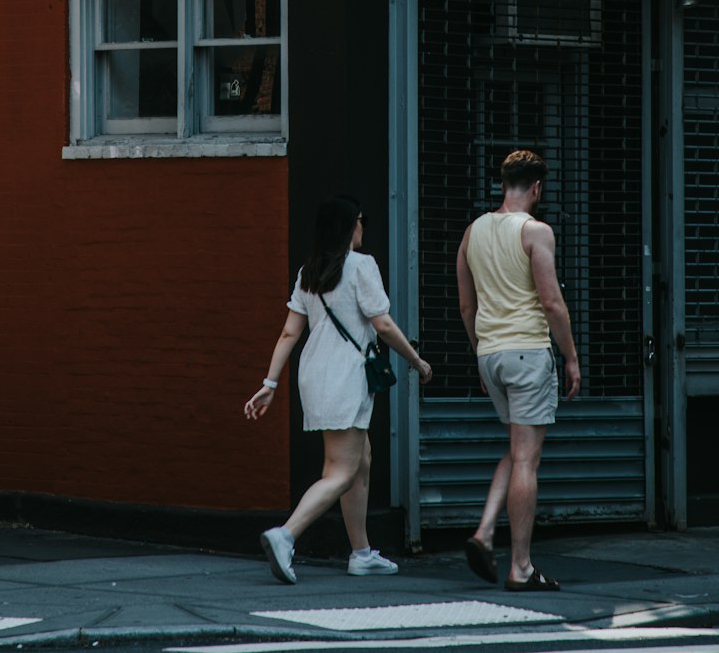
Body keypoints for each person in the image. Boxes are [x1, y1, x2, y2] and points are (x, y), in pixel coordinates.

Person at [244, 195, 432, 584]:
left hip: (315, 375)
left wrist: (270, 383)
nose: (364, 226)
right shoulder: (362, 266)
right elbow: (382, 325)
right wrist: (416, 361)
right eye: (362, 220)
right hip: (346, 376)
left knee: (361, 458)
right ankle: (286, 535)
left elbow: (288, 332)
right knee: (341, 470)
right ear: (350, 226)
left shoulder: (308, 272)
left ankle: (361, 553)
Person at [456, 149, 580, 593]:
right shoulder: (535, 232)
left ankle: (485, 531)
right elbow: (551, 302)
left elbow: (466, 304)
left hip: (490, 354)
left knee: (516, 448)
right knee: (528, 458)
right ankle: (521, 567)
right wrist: (570, 357)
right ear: (537, 189)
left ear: (502, 183)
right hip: (527, 352)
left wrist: (481, 349)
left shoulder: (473, 232)